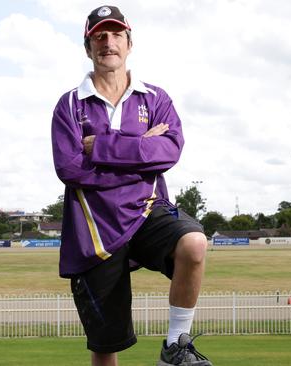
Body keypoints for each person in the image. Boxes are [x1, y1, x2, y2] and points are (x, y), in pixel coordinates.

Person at [51, 5, 212, 366]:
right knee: (106, 348)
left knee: (194, 243)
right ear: (88, 46)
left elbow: (170, 151)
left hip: (146, 210)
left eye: (116, 35)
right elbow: (71, 169)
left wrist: (104, 147)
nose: (108, 43)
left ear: (129, 42)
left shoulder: (155, 98)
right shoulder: (70, 105)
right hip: (95, 230)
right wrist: (141, 155)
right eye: (99, 36)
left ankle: (175, 346)